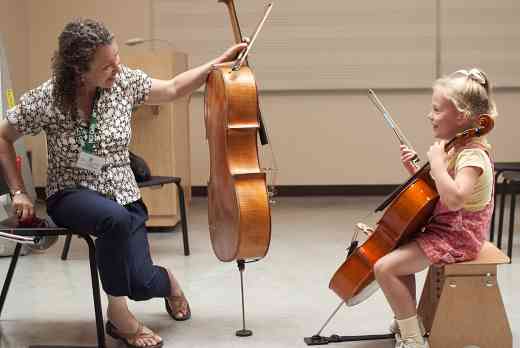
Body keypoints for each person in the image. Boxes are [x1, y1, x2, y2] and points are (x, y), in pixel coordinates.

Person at [0, 18, 246, 348]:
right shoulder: (48, 98)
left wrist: (217, 65)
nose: (117, 68)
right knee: (110, 219)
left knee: (141, 284)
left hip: (124, 194)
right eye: (107, 65)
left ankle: (168, 282)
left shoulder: (124, 82)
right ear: (78, 71)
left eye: (117, 59)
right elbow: (3, 136)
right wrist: (19, 191)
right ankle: (119, 316)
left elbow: (173, 88)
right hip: (72, 193)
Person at [373, 68, 497, 348]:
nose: (430, 115)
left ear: (462, 116)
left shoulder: (473, 156)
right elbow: (441, 190)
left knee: (384, 268)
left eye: (437, 109)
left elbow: (455, 199)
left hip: (459, 238)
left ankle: (413, 339)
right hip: (444, 230)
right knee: (395, 252)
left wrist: (438, 165)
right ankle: (408, 317)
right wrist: (418, 169)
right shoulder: (455, 148)